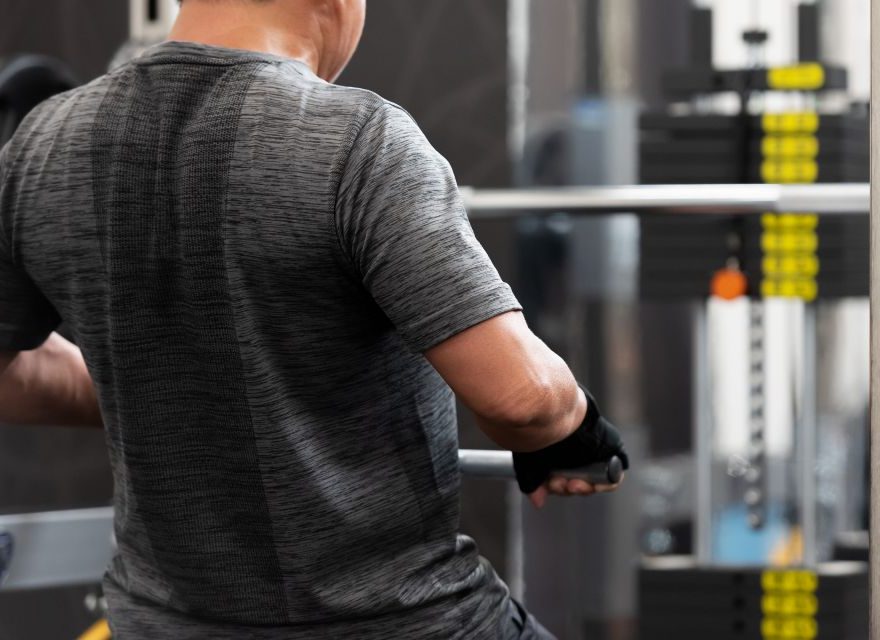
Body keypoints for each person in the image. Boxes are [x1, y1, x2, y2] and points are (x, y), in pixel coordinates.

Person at [0, 1, 629, 637]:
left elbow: (10, 376)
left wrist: (156, 382)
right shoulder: (357, 138)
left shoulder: (44, 142)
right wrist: (573, 431)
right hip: (400, 623)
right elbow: (523, 401)